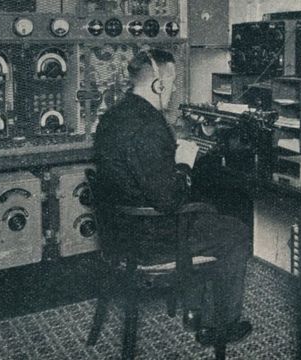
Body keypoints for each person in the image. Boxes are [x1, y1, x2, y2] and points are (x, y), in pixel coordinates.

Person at [93, 48, 252, 345]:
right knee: (235, 231)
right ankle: (219, 326)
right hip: (150, 241)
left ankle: (194, 313)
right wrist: (183, 161)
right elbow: (169, 201)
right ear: (158, 84)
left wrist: (169, 153)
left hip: (120, 233)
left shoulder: (115, 115)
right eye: (173, 80)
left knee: (206, 215)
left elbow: (138, 164)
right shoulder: (149, 125)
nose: (175, 87)